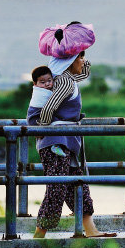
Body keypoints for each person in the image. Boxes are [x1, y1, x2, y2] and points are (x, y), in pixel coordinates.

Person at [29, 48, 116, 238]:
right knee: (57, 187)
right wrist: (40, 131)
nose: (83, 61)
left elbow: (84, 73)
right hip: (56, 143)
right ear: (70, 61)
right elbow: (49, 109)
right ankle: (39, 234)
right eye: (80, 57)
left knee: (78, 184)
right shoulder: (65, 82)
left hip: (69, 140)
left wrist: (84, 56)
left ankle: (91, 230)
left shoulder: (69, 78)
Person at [28, 65, 65, 157]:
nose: (47, 84)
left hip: (37, 116)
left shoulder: (43, 90)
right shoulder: (41, 93)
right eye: (42, 82)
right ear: (35, 84)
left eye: (49, 80)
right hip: (35, 117)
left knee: (53, 122)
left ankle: (55, 144)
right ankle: (55, 145)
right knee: (56, 122)